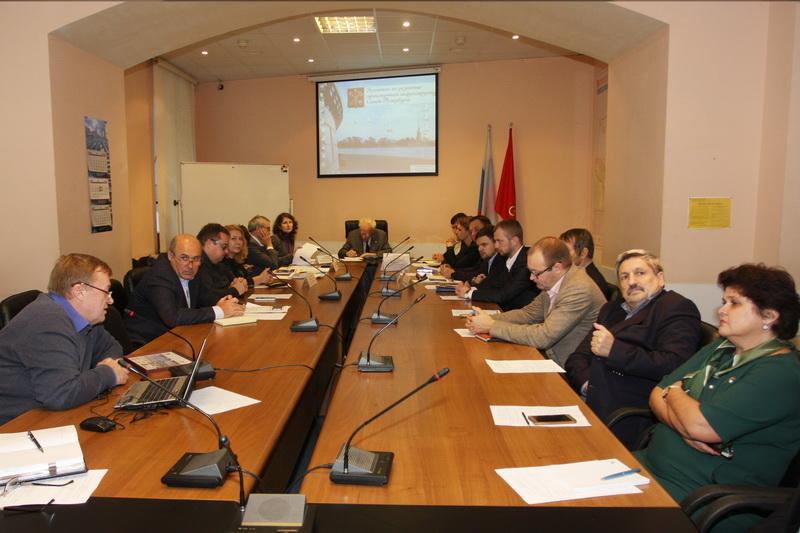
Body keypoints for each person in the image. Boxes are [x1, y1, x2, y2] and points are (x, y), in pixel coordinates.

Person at [635, 264, 800, 532]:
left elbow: (699, 425)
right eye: (724, 301)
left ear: (769, 316)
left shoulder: (781, 372)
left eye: (734, 303)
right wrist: (685, 426)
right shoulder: (721, 349)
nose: (721, 310)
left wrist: (675, 392)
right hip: (649, 465)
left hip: (702, 498)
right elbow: (656, 394)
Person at [564, 249, 702, 448]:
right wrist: (587, 384)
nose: (632, 282)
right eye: (624, 277)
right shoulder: (611, 309)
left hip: (626, 411)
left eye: (640, 273)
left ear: (660, 278)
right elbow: (577, 357)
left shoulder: (676, 307)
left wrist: (614, 350)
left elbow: (674, 364)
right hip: (587, 396)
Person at [0, 254, 129, 424]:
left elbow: (112, 347)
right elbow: (61, 394)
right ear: (79, 291)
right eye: (106, 292)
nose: (110, 300)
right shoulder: (47, 322)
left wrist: (104, 368)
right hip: (16, 424)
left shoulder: (85, 319)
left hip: (50, 413)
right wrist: (108, 373)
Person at [467, 236, 605, 367]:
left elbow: (544, 336)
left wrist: (491, 326)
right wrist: (486, 319)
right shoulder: (554, 280)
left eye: (536, 273)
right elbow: (528, 314)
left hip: (567, 368)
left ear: (557, 267)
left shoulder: (578, 289)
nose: (532, 278)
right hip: (549, 357)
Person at [125, 234, 244, 347]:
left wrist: (224, 302)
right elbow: (172, 317)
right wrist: (219, 311)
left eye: (196, 258)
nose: (190, 265)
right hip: (148, 341)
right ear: (170, 256)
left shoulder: (192, 270)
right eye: (184, 258)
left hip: (179, 334)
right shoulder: (160, 276)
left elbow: (205, 297)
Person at [456, 220, 539, 311]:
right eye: (495, 241)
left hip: (520, 315)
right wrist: (471, 288)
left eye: (499, 241)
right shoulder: (506, 258)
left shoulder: (526, 261)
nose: (496, 246)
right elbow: (494, 284)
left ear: (514, 241)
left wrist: (469, 293)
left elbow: (503, 295)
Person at [195, 223, 248, 306]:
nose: (226, 251)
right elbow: (208, 298)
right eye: (223, 247)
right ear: (209, 243)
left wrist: (238, 283)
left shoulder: (217, 264)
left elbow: (231, 283)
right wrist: (235, 290)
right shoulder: (198, 264)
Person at [559, 228, 614, 300]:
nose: (560, 256)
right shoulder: (573, 273)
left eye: (566, 251)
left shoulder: (591, 282)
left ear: (583, 253)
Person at [438, 214, 480, 280]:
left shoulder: (474, 248)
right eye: (456, 229)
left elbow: (456, 265)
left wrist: (450, 248)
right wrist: (446, 264)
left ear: (468, 231)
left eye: (459, 230)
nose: (456, 232)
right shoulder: (464, 245)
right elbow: (456, 263)